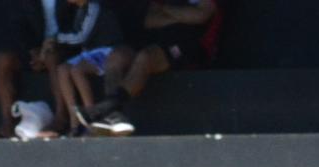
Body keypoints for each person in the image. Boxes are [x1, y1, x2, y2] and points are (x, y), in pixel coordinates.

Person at [0, 0, 130, 139]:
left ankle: (62, 120)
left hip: (66, 48)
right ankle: (8, 123)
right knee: (2, 58)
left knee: (53, 58)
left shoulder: (82, 6)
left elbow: (79, 32)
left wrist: (51, 45)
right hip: (37, 49)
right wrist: (33, 50)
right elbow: (19, 24)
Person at [78, 0, 223, 134]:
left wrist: (166, 11)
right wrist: (182, 15)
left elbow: (201, 16)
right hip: (158, 37)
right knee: (116, 57)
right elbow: (149, 20)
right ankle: (114, 117)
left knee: (145, 57)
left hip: (190, 45)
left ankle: (106, 108)